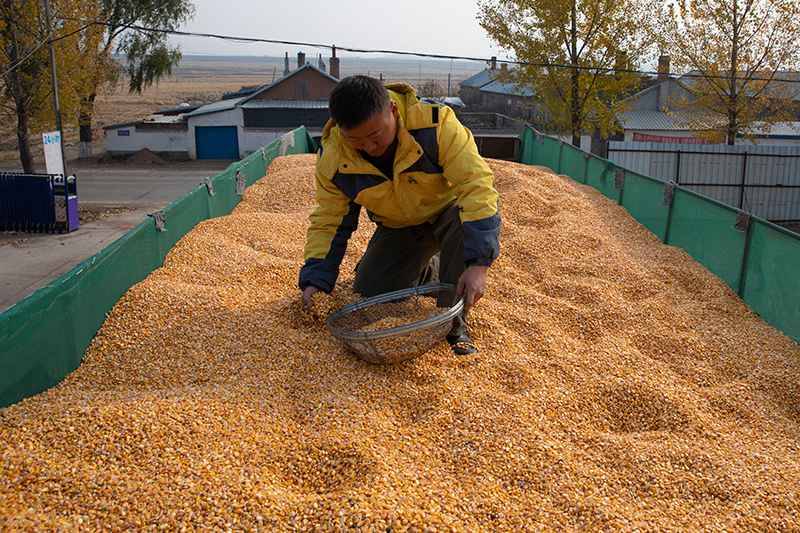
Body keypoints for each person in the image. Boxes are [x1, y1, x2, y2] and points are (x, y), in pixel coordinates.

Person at [298, 75, 500, 355]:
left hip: (447, 214)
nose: (368, 147)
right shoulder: (333, 158)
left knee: (461, 222)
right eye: (356, 140)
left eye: (375, 135)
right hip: (399, 227)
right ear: (342, 131)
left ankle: (455, 325)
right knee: (372, 294)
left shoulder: (435, 125)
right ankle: (430, 269)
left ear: (392, 110)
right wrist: (315, 280)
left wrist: (478, 265)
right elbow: (330, 220)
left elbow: (477, 187)